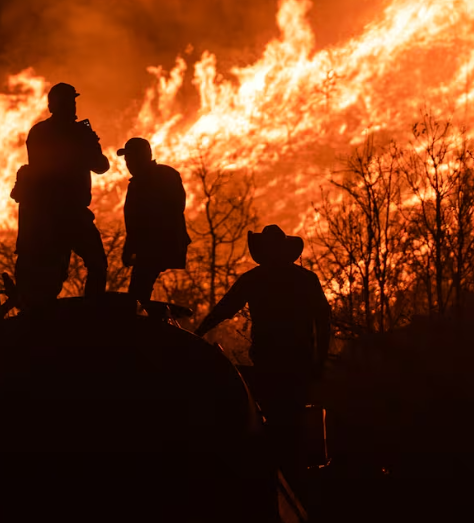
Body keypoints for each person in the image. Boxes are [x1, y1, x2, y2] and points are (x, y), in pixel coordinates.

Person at [194, 224, 331, 470]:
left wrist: (198, 333)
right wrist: (319, 361)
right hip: (296, 363)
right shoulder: (305, 279)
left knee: (276, 419)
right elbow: (323, 322)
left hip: (271, 362)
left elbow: (224, 309)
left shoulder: (255, 279)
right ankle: (291, 471)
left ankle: (280, 471)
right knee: (292, 421)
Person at [11, 82, 111, 310]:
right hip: (68, 213)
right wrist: (90, 143)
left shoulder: (39, 132)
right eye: (70, 102)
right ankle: (92, 312)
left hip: (48, 215)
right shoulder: (77, 133)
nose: (73, 106)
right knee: (95, 263)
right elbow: (101, 166)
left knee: (56, 273)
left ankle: (46, 315)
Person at [117, 137, 191, 317]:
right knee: (139, 291)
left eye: (131, 158)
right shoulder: (146, 180)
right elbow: (135, 224)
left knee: (137, 293)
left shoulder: (162, 176)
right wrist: (130, 247)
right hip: (151, 247)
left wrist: (133, 247)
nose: (128, 163)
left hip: (156, 246)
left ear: (143, 156)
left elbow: (174, 208)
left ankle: (141, 323)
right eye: (127, 159)